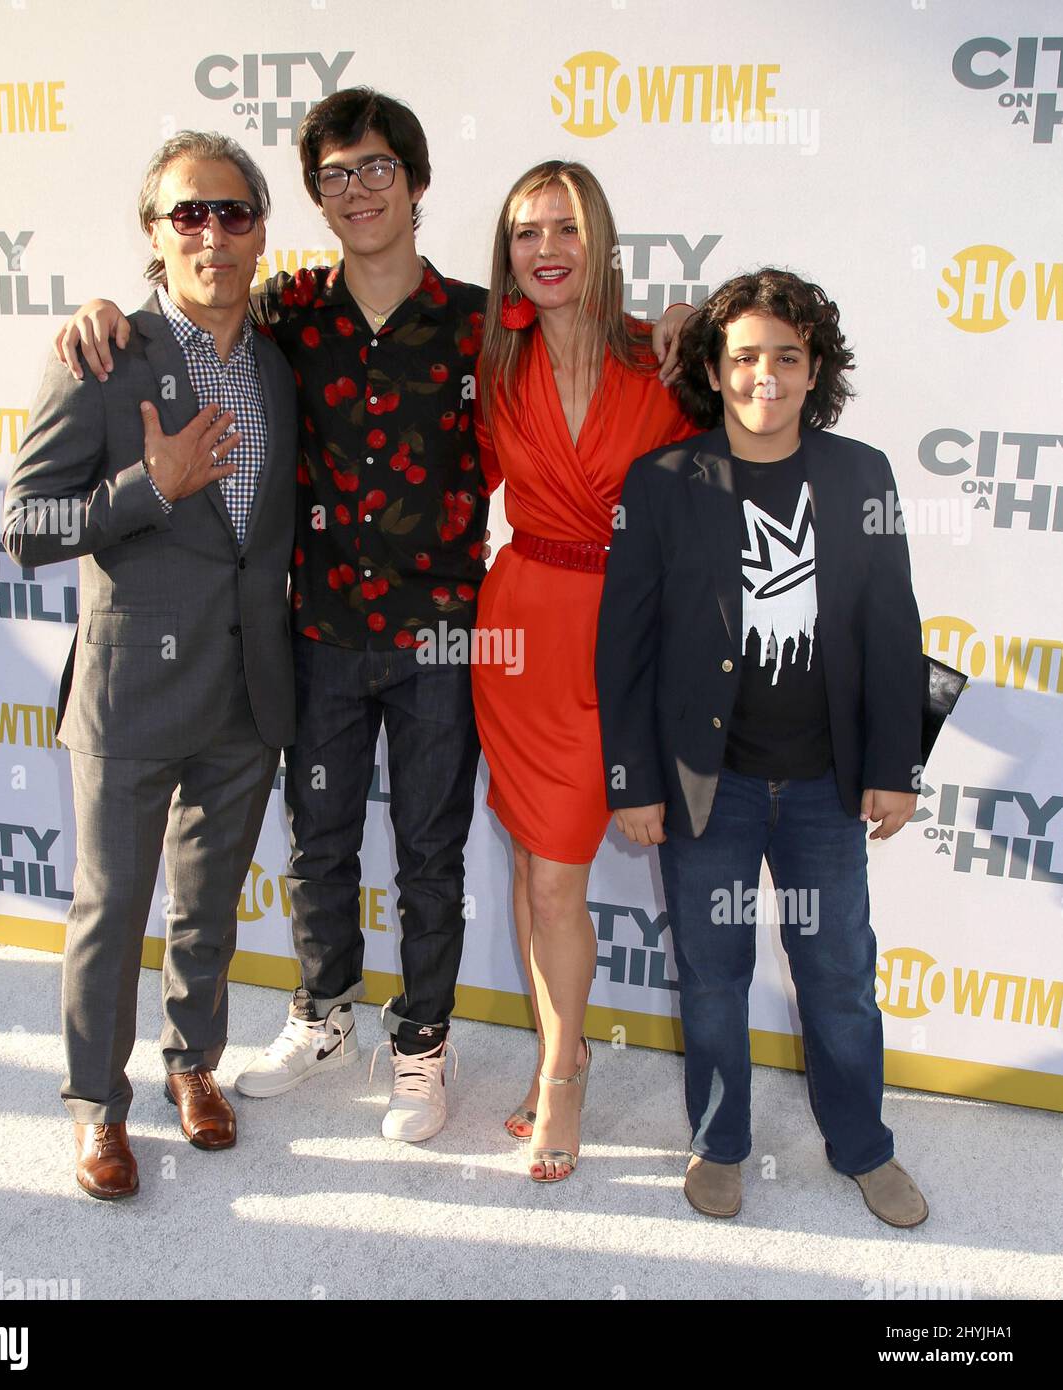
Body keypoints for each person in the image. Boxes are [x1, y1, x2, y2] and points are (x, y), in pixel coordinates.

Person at [53, 94, 695, 1145]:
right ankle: (322, 1015)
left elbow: (596, 337)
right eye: (336, 175)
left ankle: (423, 1046)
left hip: (447, 634)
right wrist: (100, 310)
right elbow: (189, 304)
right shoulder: (287, 310)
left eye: (378, 168)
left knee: (432, 850)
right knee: (320, 844)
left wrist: (679, 325)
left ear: (418, 182)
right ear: (316, 197)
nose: (358, 190)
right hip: (317, 629)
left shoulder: (486, 325)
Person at [596, 268, 929, 1227]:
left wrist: (894, 767)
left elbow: (893, 628)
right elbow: (626, 646)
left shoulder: (860, 474)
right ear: (714, 368)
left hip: (827, 786)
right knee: (712, 980)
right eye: (745, 357)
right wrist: (634, 780)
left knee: (839, 978)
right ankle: (719, 1141)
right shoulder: (663, 483)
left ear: (815, 368)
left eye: (787, 356)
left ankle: (864, 1147)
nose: (765, 376)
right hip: (711, 786)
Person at [4, 131, 297, 1199]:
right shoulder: (101, 355)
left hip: (246, 691)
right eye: (188, 214)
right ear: (154, 233)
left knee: (207, 904)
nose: (212, 234)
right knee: (112, 909)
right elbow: (26, 528)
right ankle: (96, 1106)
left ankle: (192, 1064)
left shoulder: (280, 363)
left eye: (233, 212)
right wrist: (150, 486)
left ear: (260, 230)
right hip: (130, 692)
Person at [473, 161, 698, 1182]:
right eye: (527, 232)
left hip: (629, 635)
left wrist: (700, 331)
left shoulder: (662, 358)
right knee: (540, 868)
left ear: (599, 239)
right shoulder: (492, 363)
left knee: (554, 874)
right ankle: (560, 1063)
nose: (547, 249)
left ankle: (560, 1071)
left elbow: (754, 429)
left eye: (566, 227)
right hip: (519, 632)